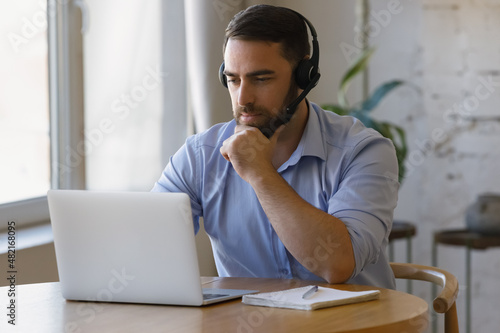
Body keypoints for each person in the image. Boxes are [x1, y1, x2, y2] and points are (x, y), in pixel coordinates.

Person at [152, 4, 399, 289]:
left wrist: (259, 173)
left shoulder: (363, 152)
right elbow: (148, 242)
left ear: (303, 75)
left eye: (261, 79)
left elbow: (338, 263)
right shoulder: (199, 157)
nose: (243, 98)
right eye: (233, 80)